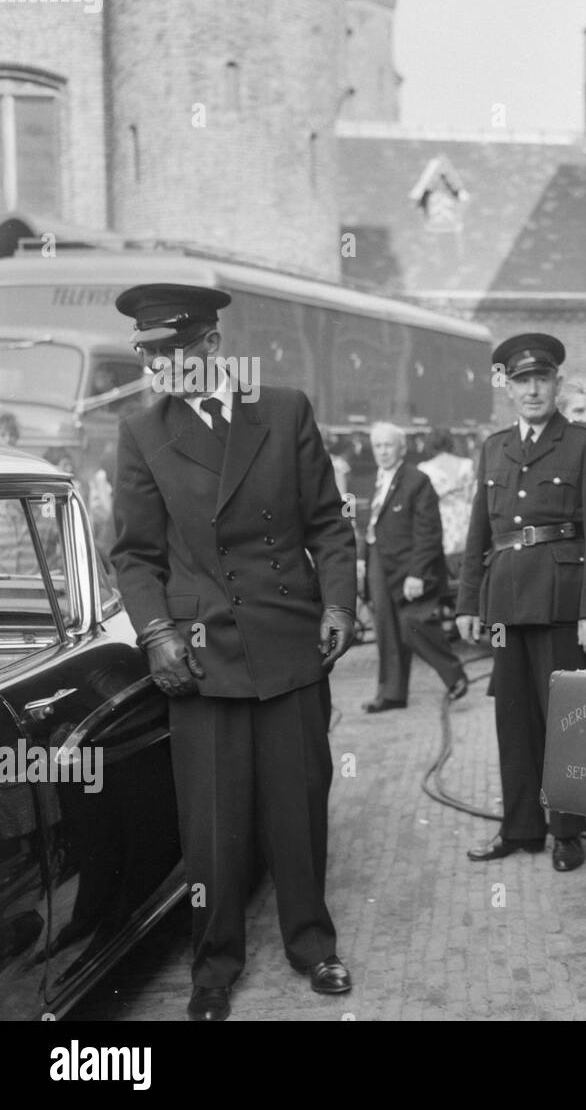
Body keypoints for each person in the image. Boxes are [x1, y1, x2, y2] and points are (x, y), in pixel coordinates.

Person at [110, 283, 358, 1022]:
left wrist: (340, 604)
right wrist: (155, 632)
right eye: (148, 355)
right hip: (200, 655)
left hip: (289, 647)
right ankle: (213, 965)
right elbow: (134, 556)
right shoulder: (142, 433)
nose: (159, 368)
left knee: (299, 809)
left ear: (212, 347)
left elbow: (330, 525)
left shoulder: (283, 411)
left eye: (171, 353)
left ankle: (313, 944)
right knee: (211, 828)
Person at [456, 333, 586, 873]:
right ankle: (521, 828)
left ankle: (567, 831)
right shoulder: (493, 446)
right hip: (505, 600)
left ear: (557, 384)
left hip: (562, 602)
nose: (532, 390)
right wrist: (467, 604)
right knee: (514, 719)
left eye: (541, 379)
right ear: (508, 388)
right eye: (522, 381)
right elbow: (479, 531)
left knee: (564, 719)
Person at [360, 421, 468, 713]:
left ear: (402, 448)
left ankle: (454, 674)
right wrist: (362, 559)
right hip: (378, 562)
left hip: (409, 566)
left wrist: (417, 573)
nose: (383, 451)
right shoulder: (378, 479)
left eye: (388, 445)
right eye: (378, 446)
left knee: (412, 625)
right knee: (385, 629)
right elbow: (371, 524)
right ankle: (391, 693)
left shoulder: (416, 480)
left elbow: (429, 532)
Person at [417, 426, 476, 582]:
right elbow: (473, 496)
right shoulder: (467, 465)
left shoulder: (424, 469)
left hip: (442, 522)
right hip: (465, 520)